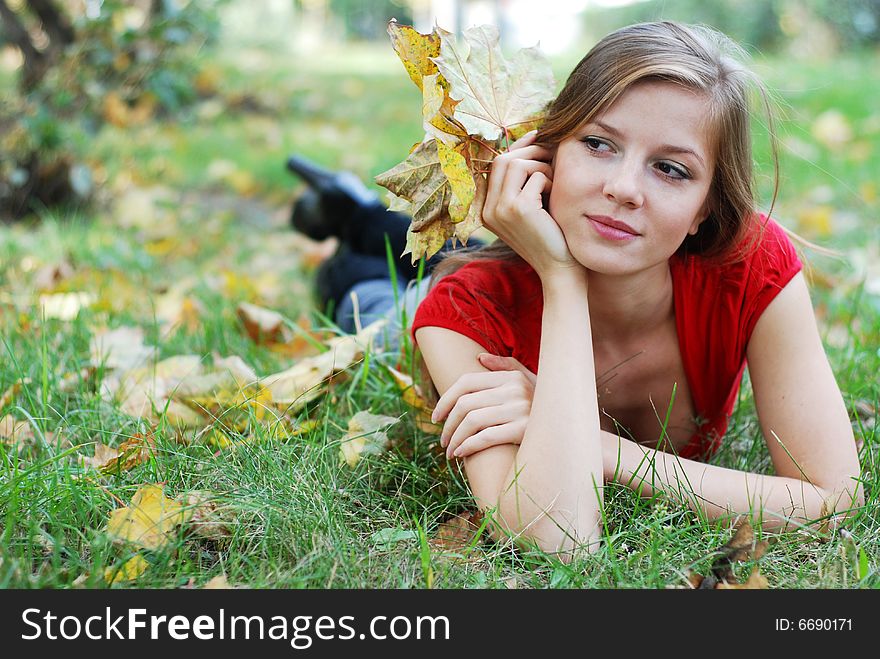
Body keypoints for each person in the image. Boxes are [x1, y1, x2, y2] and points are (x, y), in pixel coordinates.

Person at [290, 20, 863, 559]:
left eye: (672, 170)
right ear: (546, 153)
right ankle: (356, 221)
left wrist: (606, 449)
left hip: (548, 241)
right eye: (597, 143)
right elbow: (558, 539)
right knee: (372, 297)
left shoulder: (750, 263)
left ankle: (358, 212)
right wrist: (562, 280)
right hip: (413, 304)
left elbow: (833, 500)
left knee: (515, 237)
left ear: (704, 210)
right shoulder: (467, 307)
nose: (622, 188)